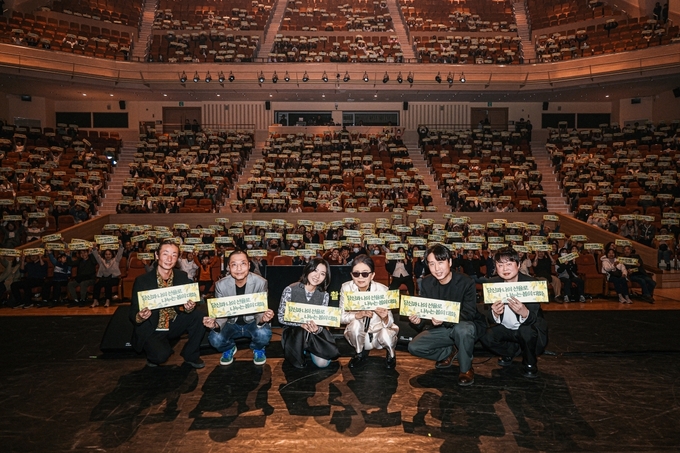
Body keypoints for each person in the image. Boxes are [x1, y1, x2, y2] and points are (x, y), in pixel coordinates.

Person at [407, 244, 487, 386]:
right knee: (414, 347)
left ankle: (466, 369)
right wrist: (418, 320)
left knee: (462, 330)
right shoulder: (426, 282)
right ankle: (449, 351)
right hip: (442, 328)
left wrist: (444, 319)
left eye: (440, 262)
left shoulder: (466, 281)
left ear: (449, 262)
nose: (436, 268)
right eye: (432, 264)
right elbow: (425, 311)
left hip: (465, 325)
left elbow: (468, 313)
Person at [129, 240, 205, 368]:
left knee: (199, 315)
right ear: (157, 255)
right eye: (165, 254)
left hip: (173, 322)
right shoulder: (142, 281)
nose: (169, 259)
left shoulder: (182, 276)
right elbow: (133, 312)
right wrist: (140, 316)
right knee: (160, 357)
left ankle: (191, 354)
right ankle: (157, 349)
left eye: (174, 255)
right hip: (153, 326)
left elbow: (184, 306)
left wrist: (188, 308)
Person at [481, 247, 548, 378]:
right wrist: (495, 313)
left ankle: (530, 362)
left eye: (509, 264)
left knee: (526, 331)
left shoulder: (532, 284)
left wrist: (524, 312)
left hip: (529, 329)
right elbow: (489, 317)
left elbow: (534, 318)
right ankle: (509, 353)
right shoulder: (492, 285)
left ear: (518, 265)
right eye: (500, 265)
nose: (505, 269)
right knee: (485, 335)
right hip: (507, 329)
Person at [202, 250, 274, 366]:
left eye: (243, 264)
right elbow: (221, 314)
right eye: (234, 264)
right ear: (228, 267)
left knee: (264, 334)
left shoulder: (261, 282)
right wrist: (215, 325)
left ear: (249, 265)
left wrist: (263, 319)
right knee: (215, 339)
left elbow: (260, 311)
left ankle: (258, 348)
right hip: (230, 323)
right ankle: (229, 348)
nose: (239, 268)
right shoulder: (220, 285)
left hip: (252, 321)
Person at [278, 258, 339, 369]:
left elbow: (322, 322)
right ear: (308, 269)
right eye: (315, 270)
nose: (317, 276)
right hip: (294, 333)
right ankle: (301, 350)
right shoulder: (290, 289)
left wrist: (317, 329)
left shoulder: (324, 295)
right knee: (297, 355)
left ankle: (309, 348)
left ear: (326, 277)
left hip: (313, 334)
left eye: (322, 274)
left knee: (323, 364)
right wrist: (300, 324)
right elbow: (281, 317)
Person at [339, 254, 398, 369]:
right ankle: (359, 353)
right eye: (356, 274)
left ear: (372, 275)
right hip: (359, 335)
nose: (360, 277)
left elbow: (391, 322)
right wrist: (357, 315)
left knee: (386, 333)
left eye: (365, 274)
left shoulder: (383, 290)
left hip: (378, 334)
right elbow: (341, 317)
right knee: (355, 324)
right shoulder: (346, 288)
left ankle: (391, 354)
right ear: (351, 275)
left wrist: (385, 317)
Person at [91, 243, 124, 308]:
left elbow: (120, 253)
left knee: (108, 284)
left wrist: (121, 245)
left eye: (109, 254)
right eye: (106, 254)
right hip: (104, 278)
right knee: (97, 284)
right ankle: (95, 301)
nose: (107, 256)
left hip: (114, 278)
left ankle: (107, 301)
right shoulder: (101, 261)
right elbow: (96, 256)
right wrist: (94, 248)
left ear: (112, 255)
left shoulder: (116, 260)